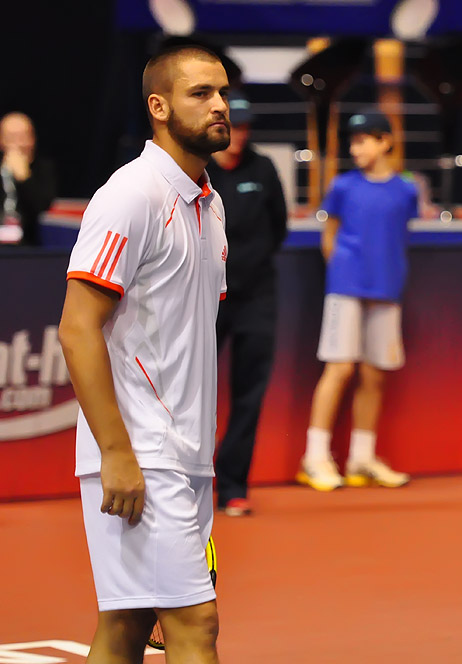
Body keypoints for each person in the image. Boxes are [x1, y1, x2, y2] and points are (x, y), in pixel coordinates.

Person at [58, 43, 230, 663]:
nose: (219, 106)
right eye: (200, 94)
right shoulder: (129, 195)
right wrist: (117, 453)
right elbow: (78, 329)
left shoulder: (210, 207)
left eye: (222, 92)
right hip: (141, 456)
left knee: (128, 624)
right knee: (195, 625)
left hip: (187, 459)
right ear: (158, 107)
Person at [297, 109, 417, 491]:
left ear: (385, 141)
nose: (356, 147)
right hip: (346, 289)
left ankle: (361, 459)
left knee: (373, 374)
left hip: (387, 291)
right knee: (340, 369)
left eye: (364, 139)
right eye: (353, 140)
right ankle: (315, 458)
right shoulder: (344, 187)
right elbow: (329, 236)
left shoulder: (406, 190)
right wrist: (345, 274)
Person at [206, 89, 288, 517]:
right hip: (206, 299)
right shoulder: (198, 170)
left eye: (244, 128)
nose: (238, 135)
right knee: (193, 391)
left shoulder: (265, 167)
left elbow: (279, 226)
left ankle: (234, 484)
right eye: (231, 126)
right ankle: (189, 482)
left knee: (249, 394)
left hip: (257, 296)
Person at [0, 112, 56, 246]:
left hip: (27, 248)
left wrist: (25, 178)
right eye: (12, 138)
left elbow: (42, 206)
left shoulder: (43, 168)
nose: (19, 144)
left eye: (24, 137)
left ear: (33, 139)